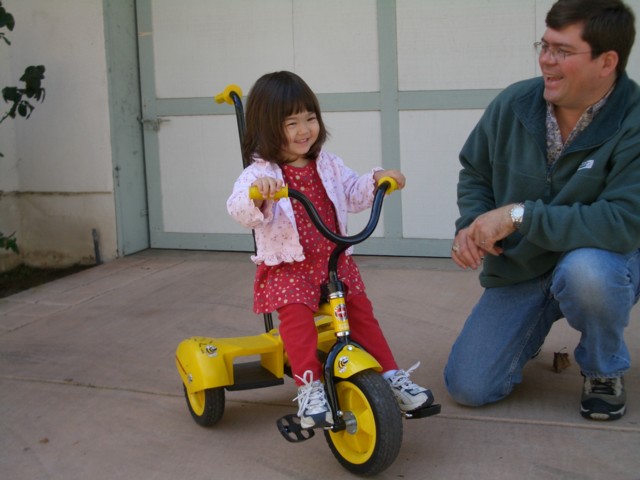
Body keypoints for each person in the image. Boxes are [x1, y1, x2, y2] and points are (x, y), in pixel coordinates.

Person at [445, 0, 640, 422]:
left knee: (586, 274)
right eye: (545, 45)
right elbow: (475, 172)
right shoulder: (515, 102)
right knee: (469, 387)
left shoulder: (635, 120)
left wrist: (518, 216)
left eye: (563, 51)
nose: (546, 61)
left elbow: (624, 221)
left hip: (600, 257)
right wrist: (471, 225)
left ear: (608, 61)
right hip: (524, 265)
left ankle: (603, 369)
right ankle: (529, 328)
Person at [227, 71, 434, 429]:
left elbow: (353, 192)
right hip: (289, 266)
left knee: (363, 316)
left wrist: (377, 179)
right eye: (291, 123)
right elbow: (238, 208)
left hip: (333, 262)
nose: (304, 129)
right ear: (267, 128)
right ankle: (309, 388)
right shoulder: (260, 173)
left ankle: (391, 375)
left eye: (310, 118)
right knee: (296, 319)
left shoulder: (328, 164)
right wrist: (257, 193)